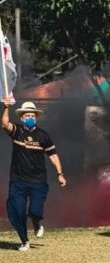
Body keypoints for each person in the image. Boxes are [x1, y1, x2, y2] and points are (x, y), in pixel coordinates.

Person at [2, 98, 67, 251]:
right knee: (17, 211)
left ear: (36, 117)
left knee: (35, 211)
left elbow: (53, 155)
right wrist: (5, 107)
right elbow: (5, 123)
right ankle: (24, 241)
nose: (30, 118)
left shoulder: (43, 136)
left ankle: (36, 222)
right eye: (27, 116)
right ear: (21, 117)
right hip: (18, 180)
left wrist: (60, 174)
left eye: (32, 116)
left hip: (38, 181)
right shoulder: (17, 131)